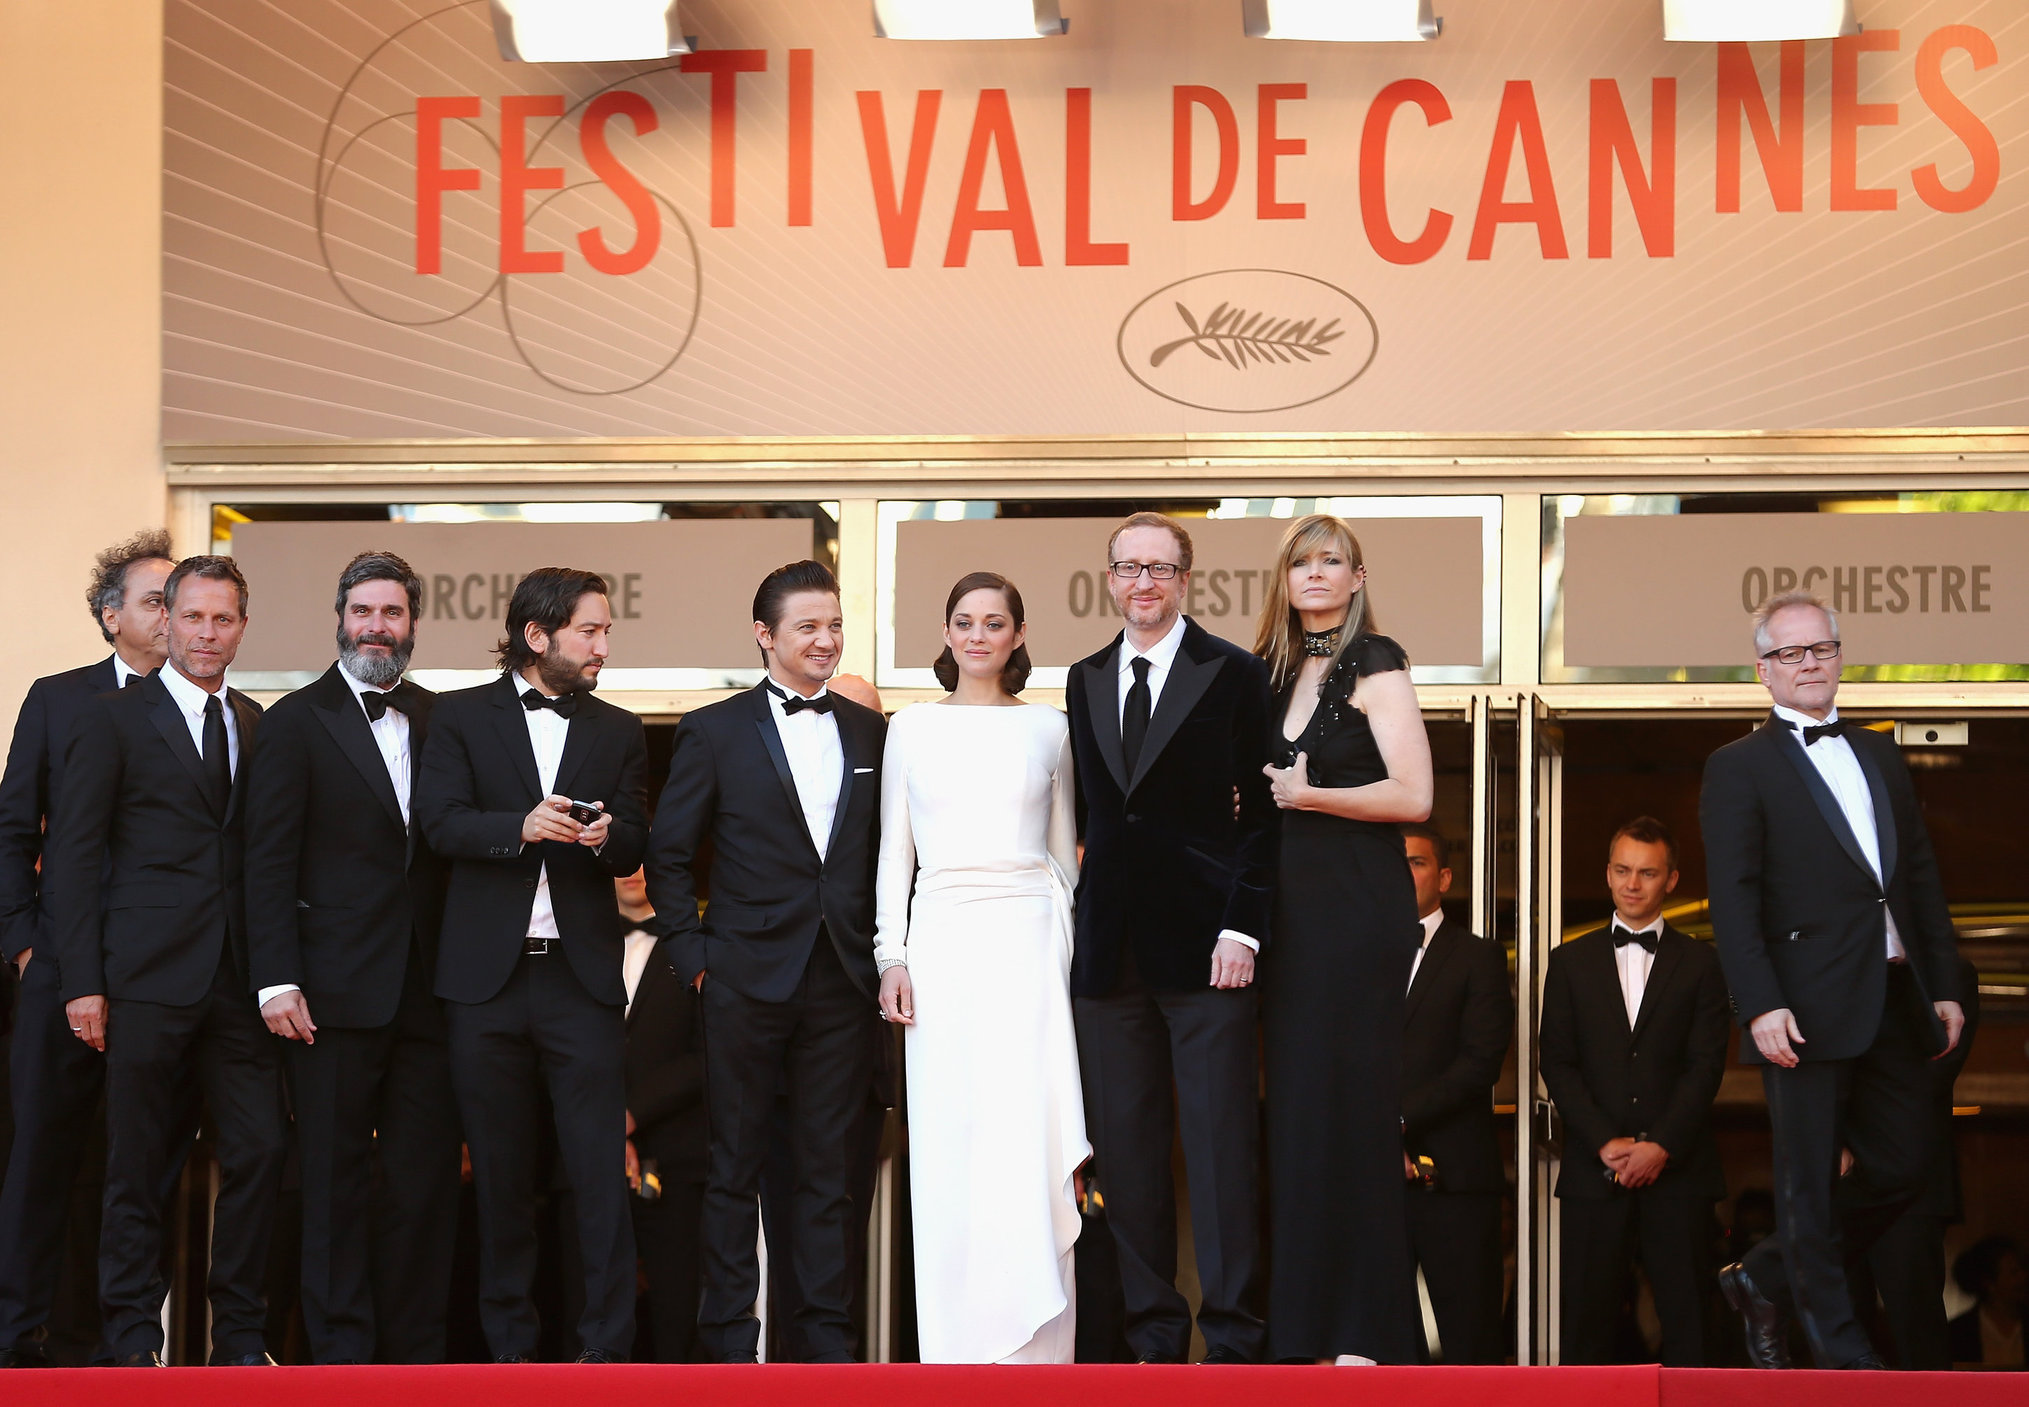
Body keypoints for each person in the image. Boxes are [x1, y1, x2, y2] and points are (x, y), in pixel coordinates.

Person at [1701, 589, 1965, 1370]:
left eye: (1818, 648)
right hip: (1801, 1005)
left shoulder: (1880, 752)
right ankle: (1839, 1345)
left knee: (1907, 1162)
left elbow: (1915, 875)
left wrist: (1940, 979)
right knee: (1808, 1180)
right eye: (1789, 652)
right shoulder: (1736, 766)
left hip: (1890, 993)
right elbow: (1733, 896)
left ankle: (1767, 1274)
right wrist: (1759, 1003)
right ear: (1762, 670)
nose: (1807, 663)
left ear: (1838, 656)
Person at [645, 560, 885, 1364]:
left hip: (840, 982)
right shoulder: (714, 729)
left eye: (834, 625)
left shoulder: (870, 732)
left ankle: (823, 1350)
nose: (825, 640)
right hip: (742, 977)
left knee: (825, 1173)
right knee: (732, 1170)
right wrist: (695, 958)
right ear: (765, 636)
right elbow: (669, 853)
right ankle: (726, 1348)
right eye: (808, 627)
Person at [46, 556, 283, 1367]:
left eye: (223, 620)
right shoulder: (112, 719)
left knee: (260, 1149)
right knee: (139, 1164)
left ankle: (239, 1337)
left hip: (239, 982)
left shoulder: (258, 722)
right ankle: (131, 1339)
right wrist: (82, 980)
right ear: (166, 622)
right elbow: (74, 859)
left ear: (242, 627)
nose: (207, 634)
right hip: (144, 981)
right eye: (193, 618)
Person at [415, 567, 649, 1364]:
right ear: (537, 635)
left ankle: (604, 1354)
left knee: (597, 1179)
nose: (602, 646)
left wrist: (604, 836)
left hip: (580, 983)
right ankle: (510, 1357)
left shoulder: (618, 728)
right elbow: (439, 823)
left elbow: (637, 839)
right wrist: (520, 825)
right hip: (485, 983)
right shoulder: (456, 717)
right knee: (502, 1181)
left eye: (606, 631)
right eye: (590, 631)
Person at [1064, 512, 1274, 1365]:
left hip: (1206, 951)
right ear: (1108, 580)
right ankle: (1153, 1334)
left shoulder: (1232, 672)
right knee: (1128, 1156)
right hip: (1110, 954)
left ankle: (1231, 1338)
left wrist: (1243, 928)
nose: (1142, 582)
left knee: (1223, 1150)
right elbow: (1088, 816)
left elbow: (1262, 817)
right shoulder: (1081, 679)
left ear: (1185, 578)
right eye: (1127, 568)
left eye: (1159, 567)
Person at [241, 551, 459, 1364]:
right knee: (329, 1184)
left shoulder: (443, 719)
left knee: (423, 1187)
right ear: (340, 618)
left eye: (392, 612)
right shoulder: (295, 720)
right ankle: (340, 1360)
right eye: (364, 611)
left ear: (411, 623)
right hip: (325, 994)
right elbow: (266, 859)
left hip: (432, 994)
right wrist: (275, 977)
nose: (377, 626)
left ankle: (413, 1359)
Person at [874, 572, 1087, 1363]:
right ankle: (958, 1352)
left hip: (1032, 942)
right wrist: (889, 953)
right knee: (951, 1140)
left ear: (1018, 633)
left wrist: (1070, 955)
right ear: (945, 629)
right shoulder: (909, 729)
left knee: (1028, 1133)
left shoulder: (1052, 729)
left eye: (994, 622)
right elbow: (894, 852)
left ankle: (1039, 1350)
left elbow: (1063, 858)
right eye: (963, 620)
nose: (977, 635)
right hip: (940, 942)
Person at [1253, 513, 1430, 1365]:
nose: (1316, 574)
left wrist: (1311, 795)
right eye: (1302, 563)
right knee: (1296, 1119)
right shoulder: (1269, 670)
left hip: (1357, 913)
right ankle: (1300, 1335)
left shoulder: (1378, 659)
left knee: (1354, 1115)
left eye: (1332, 562)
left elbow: (1414, 795)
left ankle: (1365, 1332)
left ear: (1356, 578)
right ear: (1283, 581)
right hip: (1285, 917)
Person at [0, 531, 174, 1368]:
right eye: (155, 599)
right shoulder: (59, 698)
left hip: (157, 978)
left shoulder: (212, 710)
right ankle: (14, 1335)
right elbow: (10, 829)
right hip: (61, 965)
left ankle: (112, 1343)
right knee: (42, 1158)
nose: (174, 614)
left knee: (135, 1166)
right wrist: (27, 946)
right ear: (112, 617)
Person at [1537, 817, 1729, 1366]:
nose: (1632, 884)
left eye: (1647, 873)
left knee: (1691, 1326)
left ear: (1671, 880)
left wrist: (1660, 1145)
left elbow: (1705, 1065)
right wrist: (1604, 1142)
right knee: (1585, 1330)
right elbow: (1558, 1061)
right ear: (1608, 874)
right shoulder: (1568, 961)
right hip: (1595, 1173)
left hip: (1680, 1171)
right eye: (1622, 870)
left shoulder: (1702, 962)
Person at [1399, 822, 1511, 1365]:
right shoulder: (1353, 960)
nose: (1403, 874)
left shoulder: (1479, 957)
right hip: (1373, 1184)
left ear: (1443, 876)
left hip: (1458, 1180)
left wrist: (1394, 1123)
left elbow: (1479, 1064)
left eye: (1417, 862)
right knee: (1385, 1350)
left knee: (1470, 1344)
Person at [1858, 953, 1979, 1369]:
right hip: (1832, 1170)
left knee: (1918, 1331)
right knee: (1839, 1336)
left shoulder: (1950, 972)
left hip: (1911, 1175)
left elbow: (1934, 1072)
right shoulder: (1830, 961)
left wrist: (1853, 1140)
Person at [614, 867, 706, 1363]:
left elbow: (709, 1053)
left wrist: (631, 1115)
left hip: (677, 1154)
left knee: (678, 1314)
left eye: (644, 859)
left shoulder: (697, 943)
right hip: (588, 1157)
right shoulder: (580, 939)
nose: (632, 873)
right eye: (623, 860)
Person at [1947, 1236, 2027, 1368]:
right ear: (1989, 1283)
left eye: (2024, 1269)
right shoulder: (1958, 1333)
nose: (2024, 1277)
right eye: (2014, 1272)